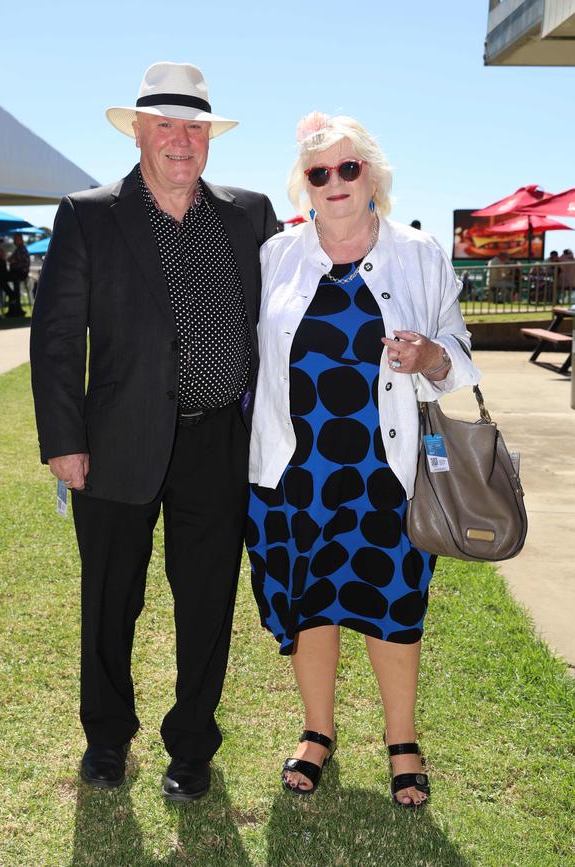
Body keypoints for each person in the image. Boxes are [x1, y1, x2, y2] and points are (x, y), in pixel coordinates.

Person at [30, 61, 276, 799]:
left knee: (207, 599)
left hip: (216, 443)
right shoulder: (89, 213)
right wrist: (63, 440)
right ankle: (106, 737)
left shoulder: (250, 213)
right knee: (111, 598)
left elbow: (279, 319)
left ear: (209, 138)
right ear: (137, 131)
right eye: (164, 124)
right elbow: (56, 336)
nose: (180, 139)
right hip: (113, 442)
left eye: (193, 126)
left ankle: (192, 745)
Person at [247, 112, 479, 807]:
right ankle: (317, 731)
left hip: (387, 471)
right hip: (297, 470)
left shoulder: (420, 253)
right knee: (310, 606)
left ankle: (402, 740)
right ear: (305, 186)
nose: (336, 182)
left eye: (349, 168)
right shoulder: (275, 257)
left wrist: (430, 356)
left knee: (393, 603)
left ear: (373, 175)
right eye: (320, 173)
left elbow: (458, 354)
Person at [8, 233, 30, 316]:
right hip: (18, 272)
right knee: (4, 279)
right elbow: (10, 259)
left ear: (20, 239)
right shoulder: (18, 249)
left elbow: (15, 260)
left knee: (4, 279)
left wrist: (13, 261)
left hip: (20, 272)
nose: (14, 241)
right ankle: (14, 302)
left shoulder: (21, 249)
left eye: (15, 239)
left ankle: (17, 307)